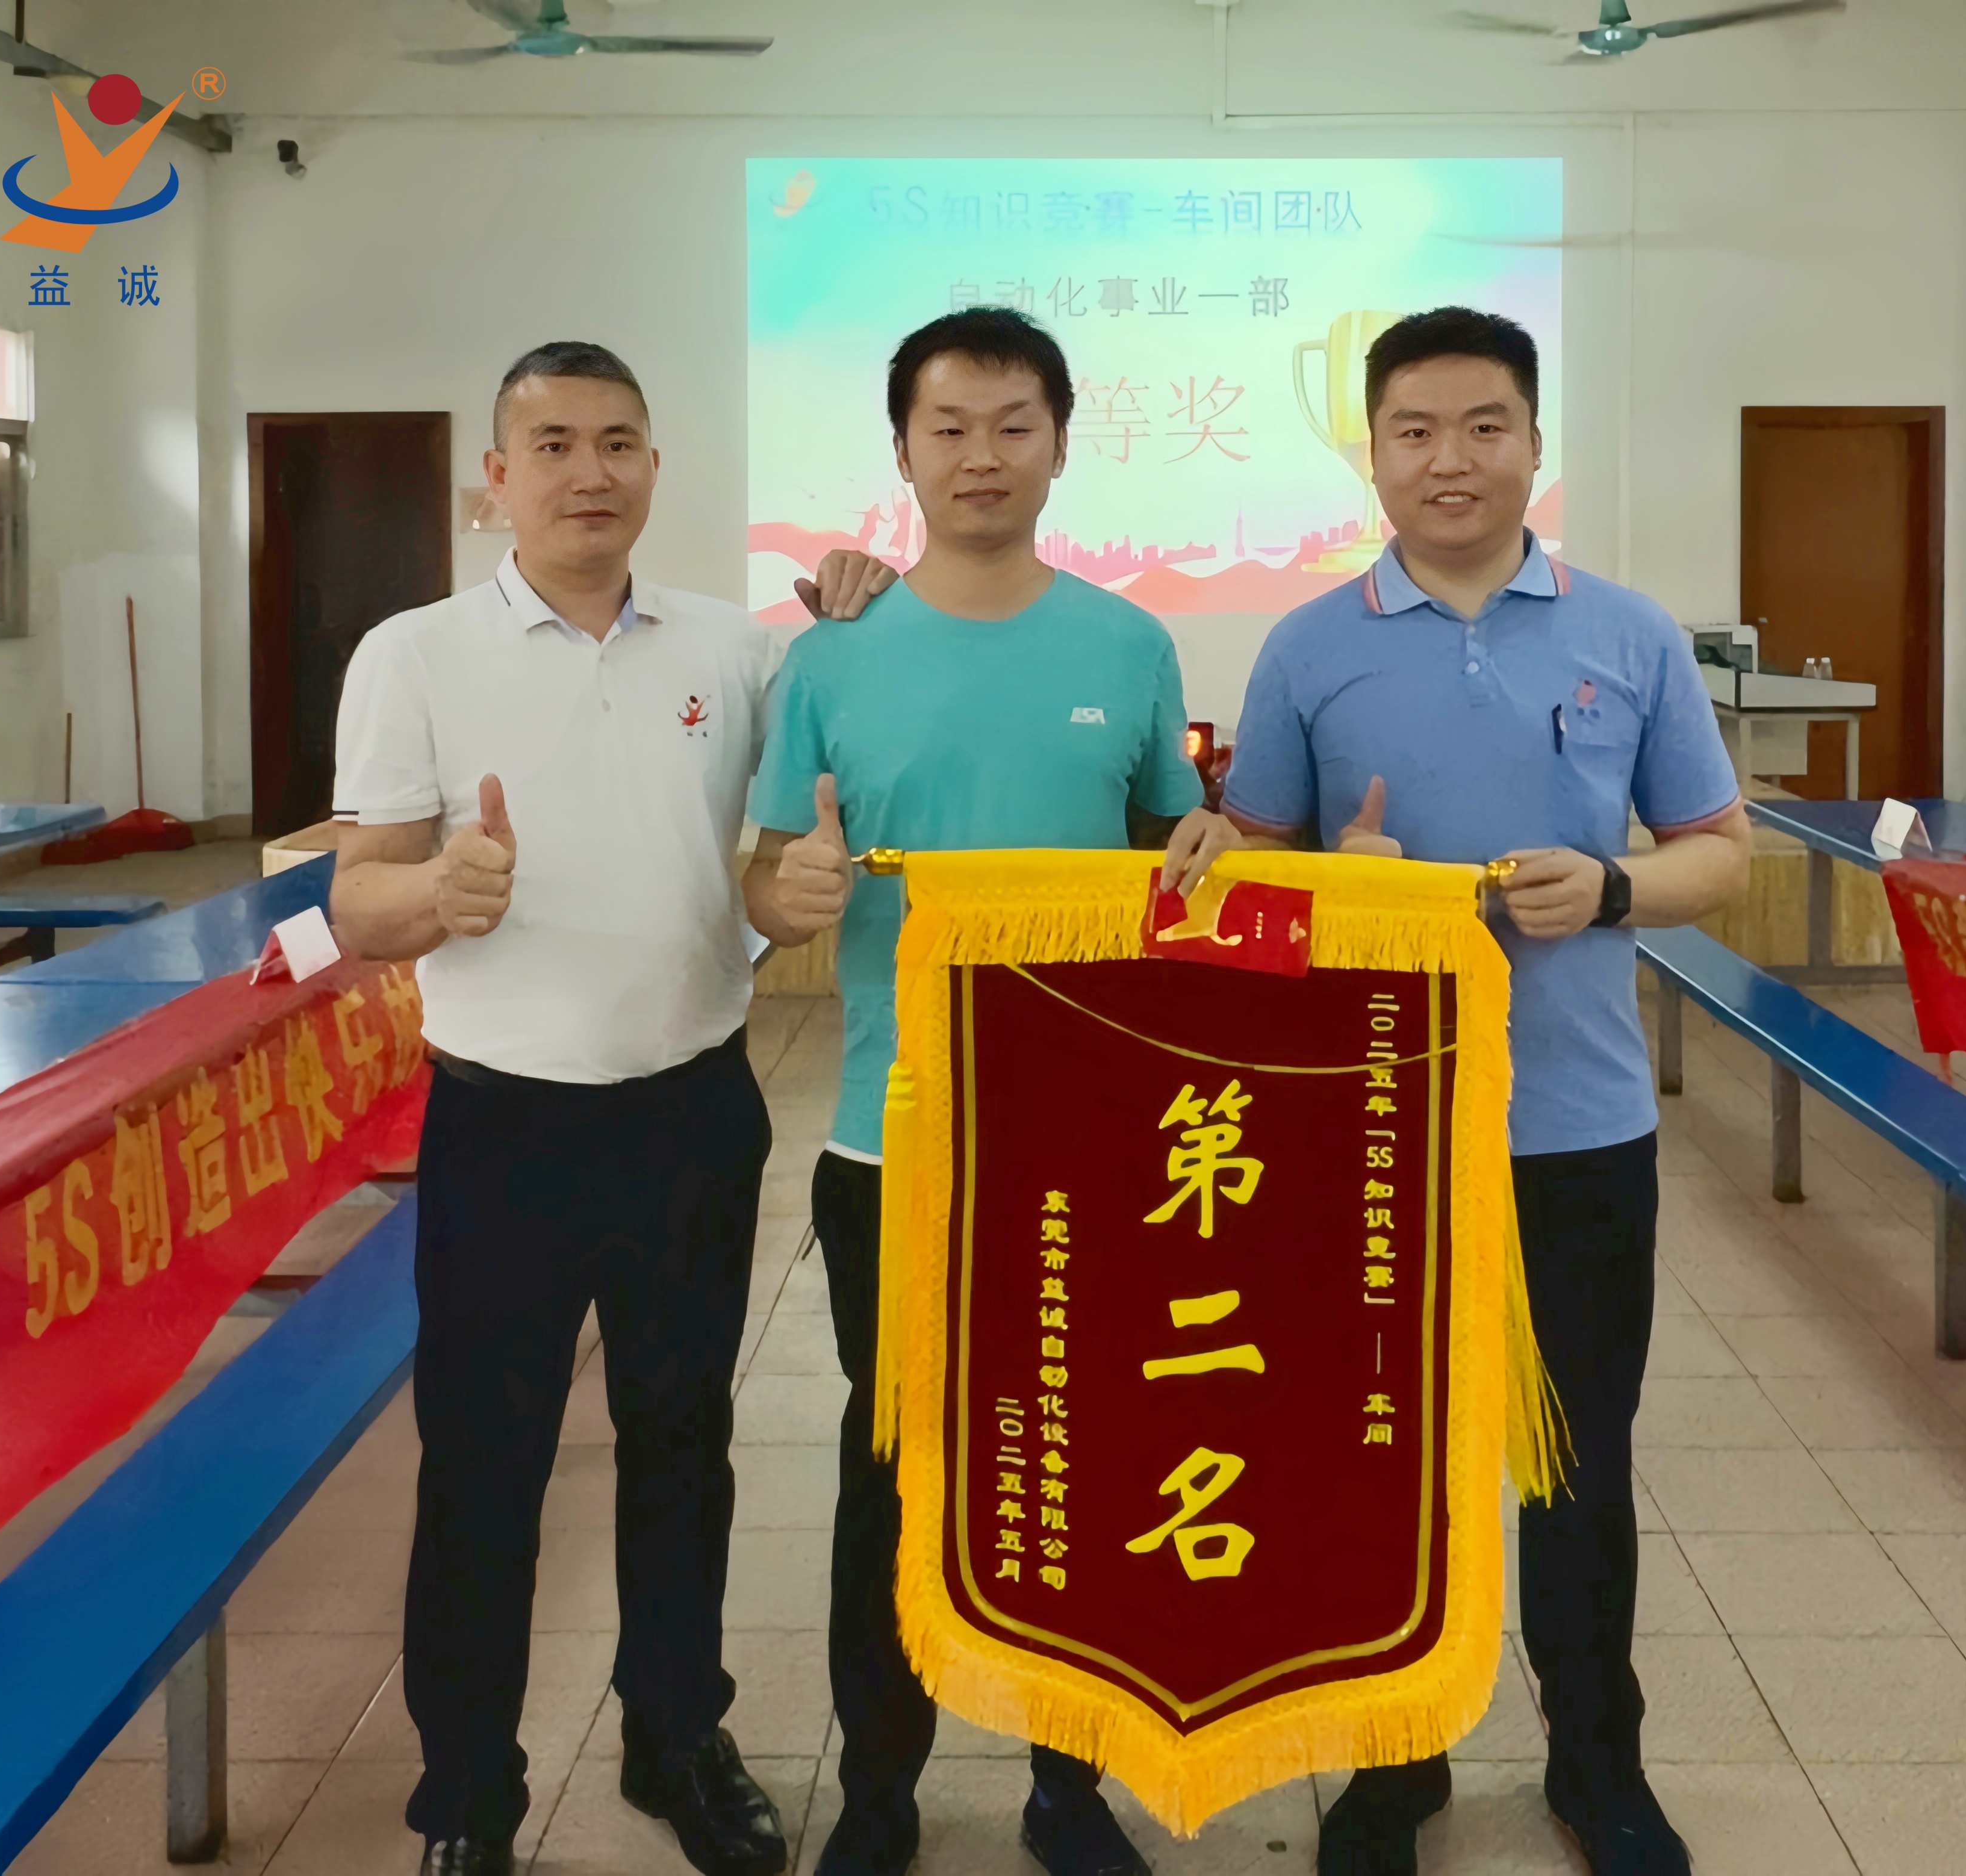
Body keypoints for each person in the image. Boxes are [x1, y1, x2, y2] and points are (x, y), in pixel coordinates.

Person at [1220, 308, 1751, 1876]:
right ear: (1372, 451)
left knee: (1576, 1460)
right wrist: (1338, 885)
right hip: (1368, 1135)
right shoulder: (1307, 646)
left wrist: (1612, 887)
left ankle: (1599, 1760)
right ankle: (1395, 1762)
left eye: (1483, 425)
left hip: (1577, 1128)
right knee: (1382, 1461)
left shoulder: (1630, 635)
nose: (1449, 459)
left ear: (1533, 440)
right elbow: (1247, 872)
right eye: (1415, 430)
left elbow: (1721, 853)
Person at [742, 307, 1237, 1876]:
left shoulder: (1128, 646)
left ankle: (1065, 1788)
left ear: (1061, 444)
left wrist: (1215, 848)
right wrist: (783, 894)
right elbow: (768, 876)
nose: (981, 455)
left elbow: (1175, 852)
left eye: (1013, 423)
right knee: (892, 1467)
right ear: (901, 450)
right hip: (889, 1139)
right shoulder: (830, 658)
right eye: (948, 426)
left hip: (1090, 1137)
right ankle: (879, 1789)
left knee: (1081, 1466)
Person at [329, 341, 791, 1876]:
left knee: (683, 1445)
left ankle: (675, 1738)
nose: (590, 472)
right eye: (553, 445)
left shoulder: (733, 649)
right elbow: (358, 899)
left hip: (693, 1112)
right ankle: (468, 1794)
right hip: (503, 1130)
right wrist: (436, 891)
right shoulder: (413, 653)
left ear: (654, 465)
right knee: (484, 1470)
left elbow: (771, 857)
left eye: (619, 442)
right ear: (498, 477)